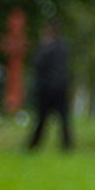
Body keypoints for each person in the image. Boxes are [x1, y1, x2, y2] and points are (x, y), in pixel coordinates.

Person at [27, 22, 72, 150]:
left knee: (41, 117)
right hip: (61, 86)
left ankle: (34, 145)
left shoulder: (46, 48)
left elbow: (37, 65)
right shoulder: (64, 47)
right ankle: (67, 144)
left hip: (47, 88)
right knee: (64, 118)